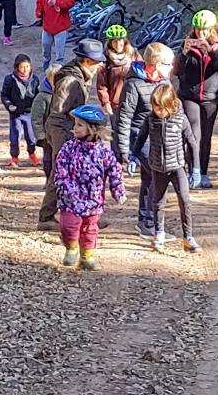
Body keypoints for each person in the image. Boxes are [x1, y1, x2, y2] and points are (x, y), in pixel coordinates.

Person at [37, 38, 106, 231]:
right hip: (62, 130)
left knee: (81, 171)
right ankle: (46, 217)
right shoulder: (70, 80)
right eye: (97, 61)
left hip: (70, 128)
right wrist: (70, 137)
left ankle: (88, 215)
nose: (100, 65)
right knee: (61, 173)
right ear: (86, 61)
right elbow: (59, 112)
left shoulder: (81, 76)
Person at [55, 104, 126, 271]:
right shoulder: (69, 148)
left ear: (92, 129)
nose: (75, 128)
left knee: (89, 228)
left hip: (93, 199)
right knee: (68, 225)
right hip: (71, 199)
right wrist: (66, 188)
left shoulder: (103, 152)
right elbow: (60, 169)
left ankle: (87, 256)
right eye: (75, 124)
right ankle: (71, 248)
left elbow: (114, 170)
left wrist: (118, 190)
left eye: (79, 125)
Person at [115, 42, 176, 237]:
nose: (171, 68)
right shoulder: (133, 85)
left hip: (159, 139)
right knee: (158, 176)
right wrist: (125, 151)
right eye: (168, 64)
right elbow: (123, 118)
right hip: (139, 139)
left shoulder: (165, 83)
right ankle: (151, 222)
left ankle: (144, 220)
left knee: (149, 178)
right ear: (156, 64)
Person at [134, 83, 201, 253]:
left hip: (177, 166)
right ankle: (159, 234)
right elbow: (141, 137)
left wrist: (196, 169)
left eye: (162, 108)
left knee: (184, 200)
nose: (159, 112)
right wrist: (134, 156)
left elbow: (192, 143)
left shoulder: (180, 118)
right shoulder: (151, 119)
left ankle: (188, 238)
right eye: (156, 108)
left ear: (171, 105)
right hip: (157, 167)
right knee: (158, 202)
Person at [174, 10, 218, 189]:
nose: (201, 34)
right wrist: (184, 53)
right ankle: (193, 171)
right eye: (198, 30)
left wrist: (209, 52)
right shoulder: (187, 44)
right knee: (194, 134)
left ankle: (203, 172)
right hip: (189, 95)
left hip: (210, 97)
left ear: (211, 30)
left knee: (206, 136)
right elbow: (177, 70)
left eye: (205, 30)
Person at [1, 53, 41, 167]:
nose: (25, 69)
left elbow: (38, 95)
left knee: (31, 136)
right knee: (15, 136)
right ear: (17, 67)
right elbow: (4, 95)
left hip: (30, 112)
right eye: (22, 67)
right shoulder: (10, 80)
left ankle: (32, 154)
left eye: (27, 66)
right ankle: (14, 157)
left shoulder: (35, 79)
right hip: (16, 113)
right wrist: (9, 105)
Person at [96, 25, 141, 125]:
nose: (118, 44)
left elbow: (143, 75)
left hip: (134, 102)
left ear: (125, 41)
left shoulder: (134, 55)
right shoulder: (105, 60)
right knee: (117, 135)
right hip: (116, 104)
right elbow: (101, 85)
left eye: (120, 40)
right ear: (110, 43)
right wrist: (105, 103)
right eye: (114, 41)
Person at [36, 0, 76, 71]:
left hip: (60, 25)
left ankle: (58, 70)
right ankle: (46, 64)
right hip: (47, 25)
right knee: (45, 45)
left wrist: (57, 2)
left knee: (60, 52)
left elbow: (71, 1)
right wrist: (39, 11)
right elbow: (39, 1)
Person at [31, 64, 62, 179]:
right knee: (48, 158)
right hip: (47, 136)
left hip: (62, 134)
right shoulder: (42, 97)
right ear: (49, 78)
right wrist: (40, 136)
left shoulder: (65, 94)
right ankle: (49, 179)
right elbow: (36, 118)